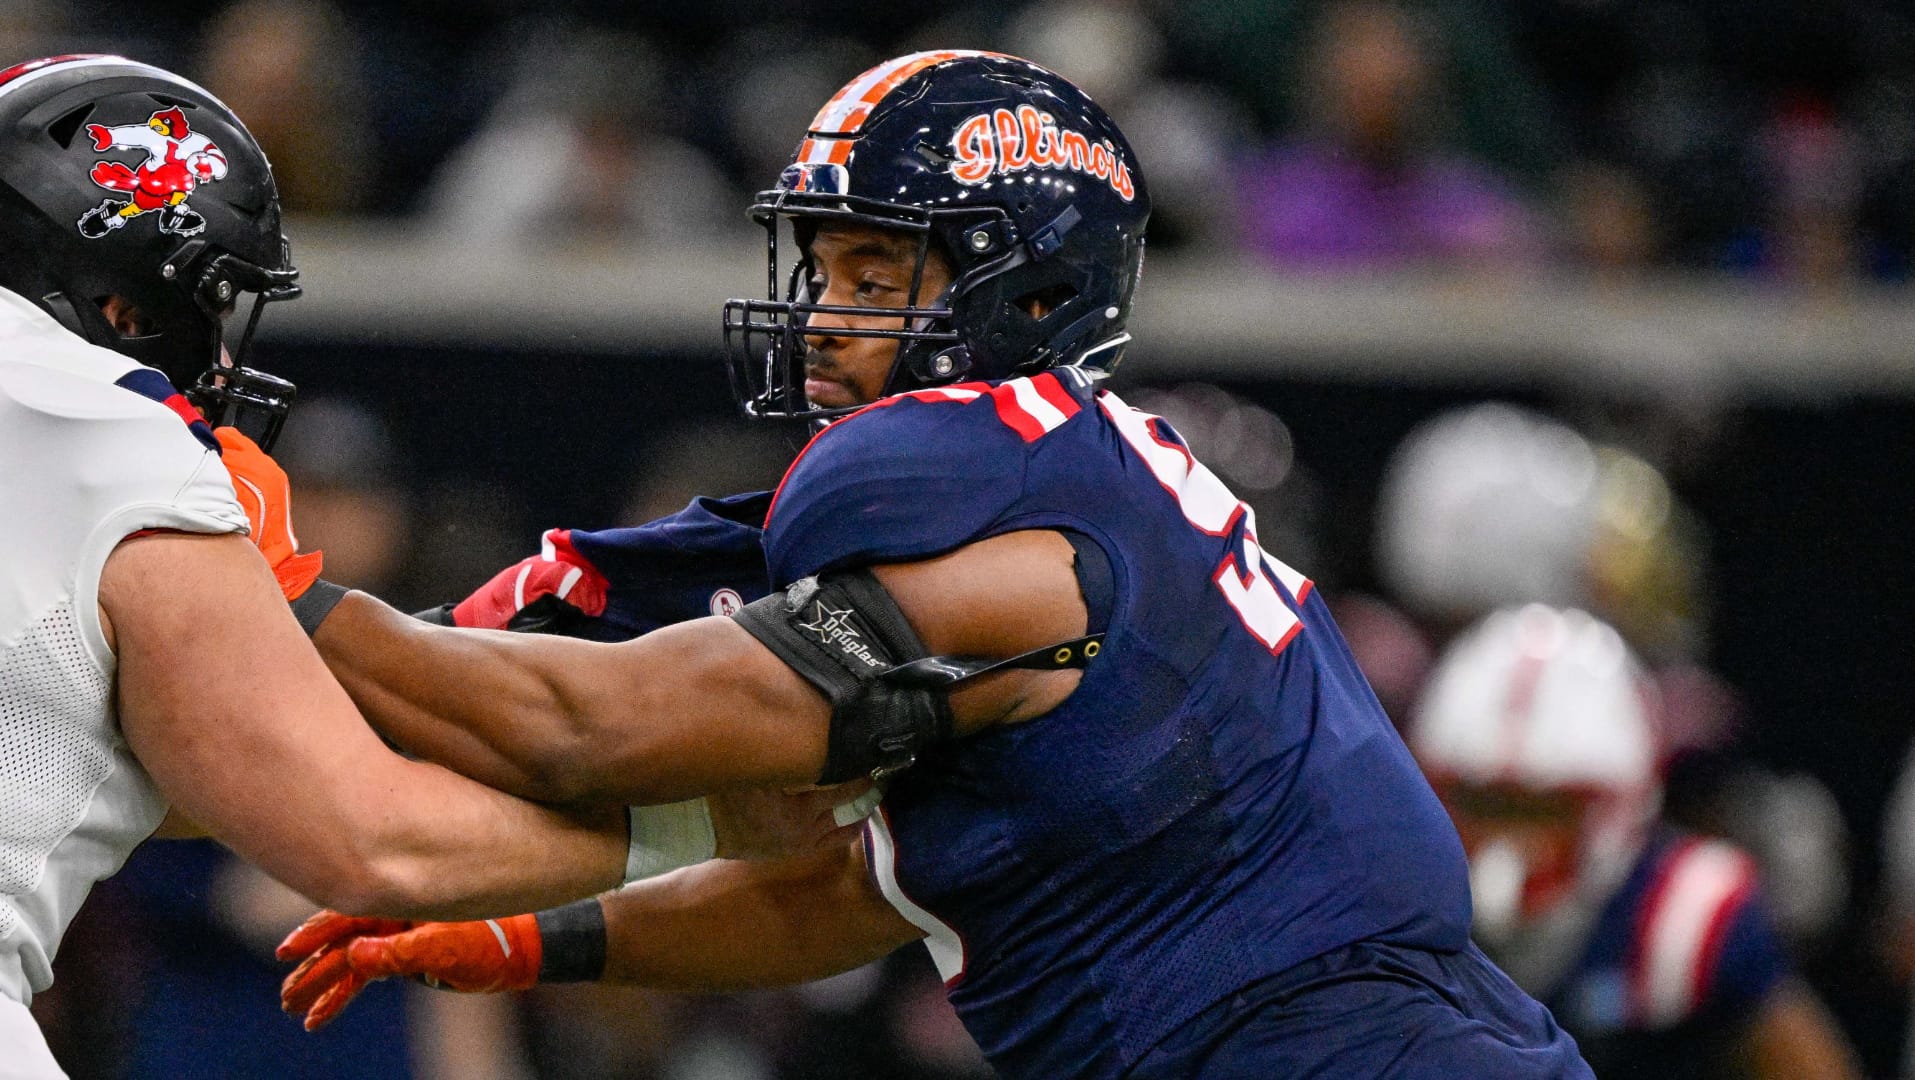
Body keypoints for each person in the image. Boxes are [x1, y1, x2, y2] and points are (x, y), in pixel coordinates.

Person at [269, 51, 1590, 1078]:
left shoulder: (1013, 517)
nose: (826, 322)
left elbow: (588, 728)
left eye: (872, 273)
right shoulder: (1076, 496)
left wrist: (279, 595)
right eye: (824, 268)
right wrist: (527, 941)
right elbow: (860, 895)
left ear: (1020, 295)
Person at [0, 54, 830, 1079]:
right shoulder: (110, 433)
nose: (216, 355)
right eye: (211, 305)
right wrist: (708, 821)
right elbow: (371, 841)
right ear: (126, 304)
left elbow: (150, 766)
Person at [1406, 605, 1861, 1079]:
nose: (1512, 842)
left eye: (1545, 811)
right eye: (1485, 806)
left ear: (1622, 807)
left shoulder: (1681, 917)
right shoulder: (1390, 905)